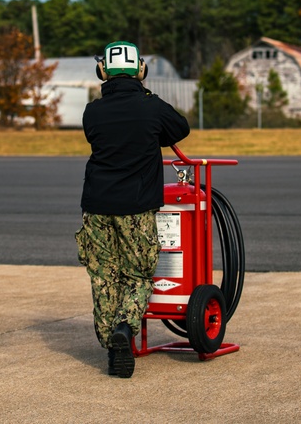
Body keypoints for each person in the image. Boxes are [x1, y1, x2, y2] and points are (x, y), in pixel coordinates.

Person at [75, 40, 190, 378]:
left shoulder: (92, 111)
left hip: (96, 207)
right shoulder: (151, 107)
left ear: (102, 72)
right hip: (136, 208)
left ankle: (112, 348)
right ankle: (126, 327)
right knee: (138, 276)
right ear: (141, 70)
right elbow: (180, 128)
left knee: (103, 277)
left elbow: (95, 136)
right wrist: (148, 97)